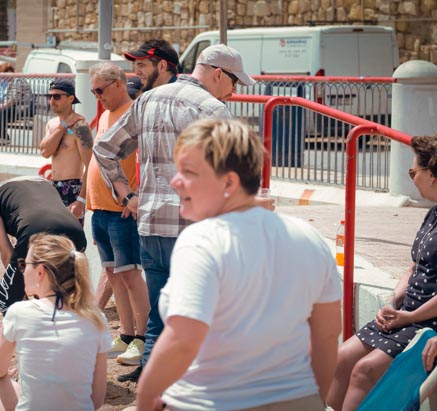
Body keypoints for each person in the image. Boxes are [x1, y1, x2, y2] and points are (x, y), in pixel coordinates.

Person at [133, 119, 341, 410]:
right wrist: (314, 400)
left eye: (188, 173)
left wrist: (144, 400)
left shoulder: (202, 240)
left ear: (229, 182)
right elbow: (328, 334)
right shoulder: (309, 237)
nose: (175, 181)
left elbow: (182, 340)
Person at [94, 43, 258, 383]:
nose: (235, 89)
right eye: (234, 82)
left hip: (151, 225)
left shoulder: (148, 100)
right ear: (218, 74)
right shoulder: (213, 109)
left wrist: (127, 195)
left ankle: (150, 391)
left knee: (158, 318)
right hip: (193, 232)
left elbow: (105, 148)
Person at [327, 135, 437, 411]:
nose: (412, 178)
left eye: (413, 172)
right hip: (409, 315)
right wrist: (393, 301)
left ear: (433, 175)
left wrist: (411, 316)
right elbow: (414, 265)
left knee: (365, 371)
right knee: (340, 359)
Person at [0, 233, 110, 410]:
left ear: (40, 271)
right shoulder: (96, 319)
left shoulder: (19, 312)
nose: (23, 271)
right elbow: (96, 400)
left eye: (24, 265)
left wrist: (2, 374)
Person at [86, 62, 149, 367]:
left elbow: (144, 160)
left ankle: (143, 336)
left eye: (100, 90)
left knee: (131, 275)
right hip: (100, 207)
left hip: (121, 209)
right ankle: (126, 333)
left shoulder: (133, 112)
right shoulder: (106, 114)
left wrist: (133, 198)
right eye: (93, 91)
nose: (97, 97)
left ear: (118, 84)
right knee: (113, 273)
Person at [0, 177, 87, 315]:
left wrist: (21, 293)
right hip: (76, 232)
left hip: (35, 231)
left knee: (6, 301)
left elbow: (7, 254)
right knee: (66, 298)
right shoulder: (39, 185)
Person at [39, 79, 93, 223]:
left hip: (72, 189)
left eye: (57, 97)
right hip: (53, 186)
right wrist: (62, 126)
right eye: (49, 97)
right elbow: (45, 152)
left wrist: (81, 200)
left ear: (70, 98)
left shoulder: (80, 126)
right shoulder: (52, 124)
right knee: (52, 239)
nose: (52, 100)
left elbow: (91, 165)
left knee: (70, 241)